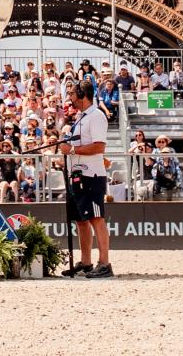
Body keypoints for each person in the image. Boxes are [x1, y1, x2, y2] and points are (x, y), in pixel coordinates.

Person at [59, 80, 112, 278]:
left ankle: (105, 263)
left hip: (92, 175)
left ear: (82, 94)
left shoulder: (96, 116)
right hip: (78, 175)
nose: (70, 98)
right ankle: (87, 261)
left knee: (96, 218)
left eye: (72, 94)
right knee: (81, 220)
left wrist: (72, 149)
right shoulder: (81, 117)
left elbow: (99, 147)